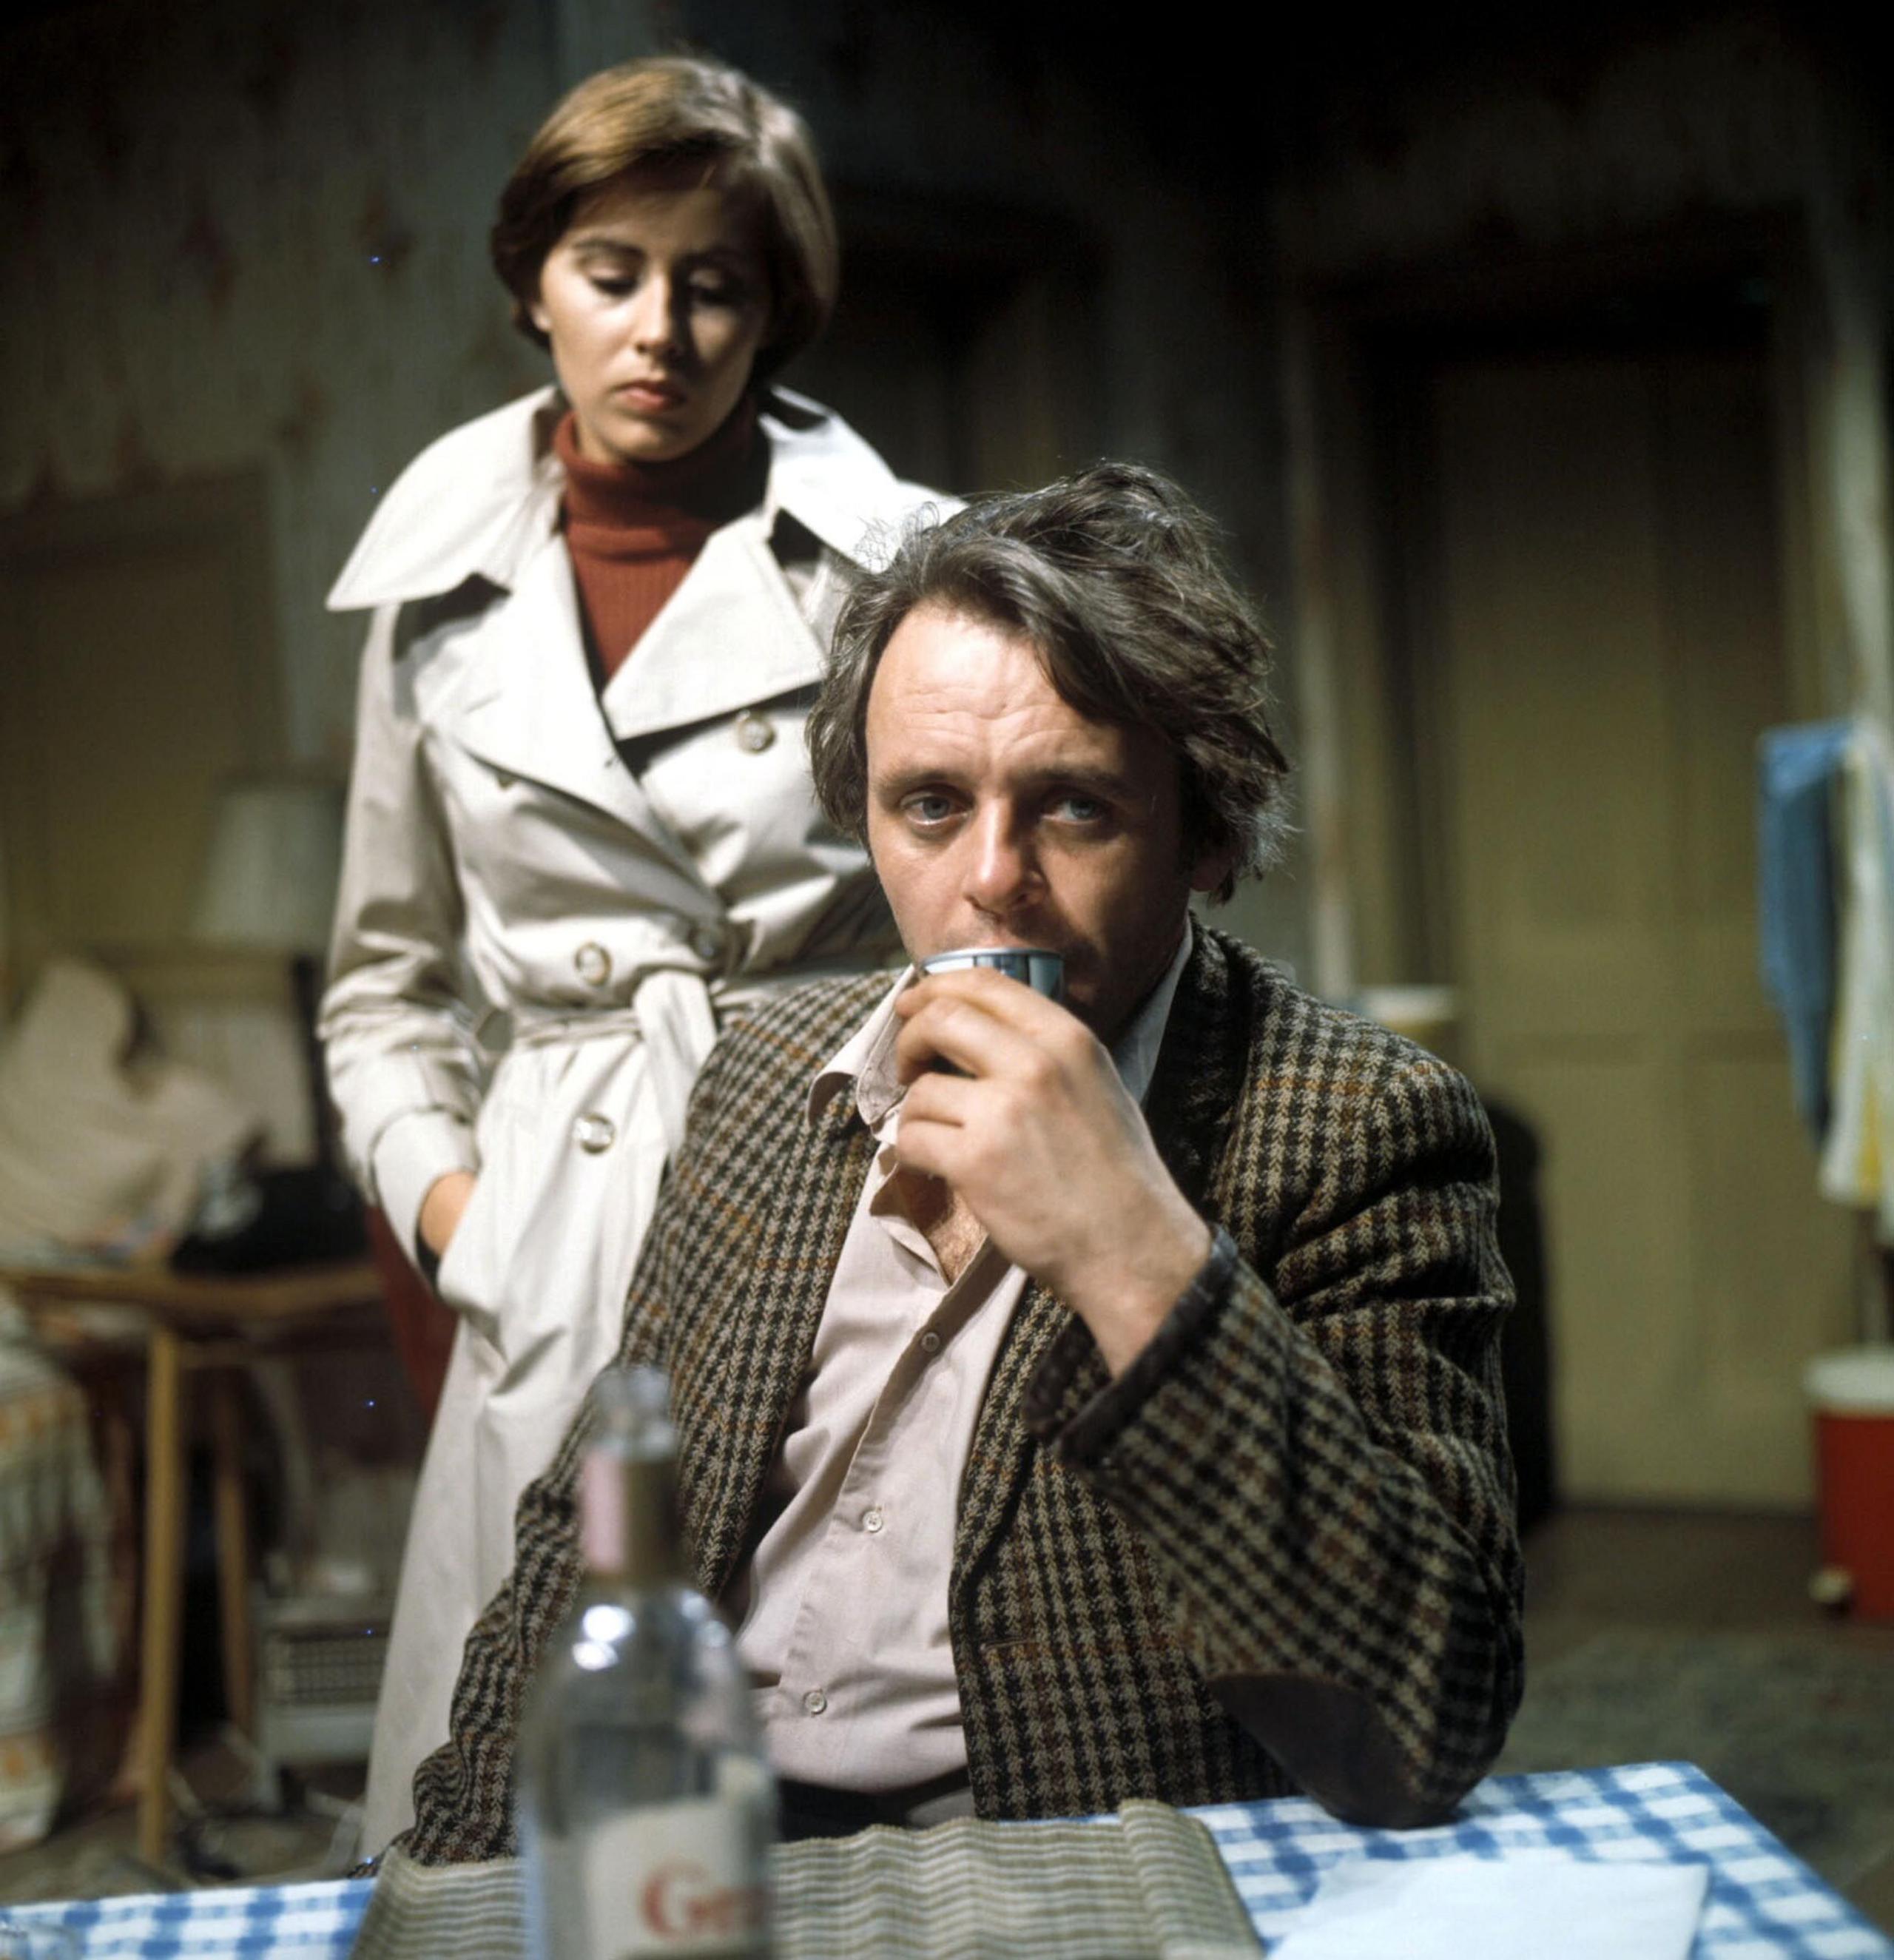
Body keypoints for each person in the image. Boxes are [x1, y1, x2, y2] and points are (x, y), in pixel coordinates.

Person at [399, 462, 1525, 1859]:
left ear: (1209, 834)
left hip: (1056, 1866)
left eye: (1076, 807)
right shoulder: (763, 1070)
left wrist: (1133, 1249)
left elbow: (1431, 1715)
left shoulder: (1358, 1122)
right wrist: (446, 1878)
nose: (993, 877)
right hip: (694, 1847)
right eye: (931, 804)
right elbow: (596, 1535)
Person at [319, 55, 942, 1851]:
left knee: (826, 1775)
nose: (658, 328)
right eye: (612, 269)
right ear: (534, 280)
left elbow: (982, 923)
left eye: (715, 281)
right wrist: (461, 1214)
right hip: (552, 1221)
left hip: (827, 1186)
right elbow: (380, 976)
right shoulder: (429, 572)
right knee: (527, 1797)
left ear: (777, 307)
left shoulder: (894, 561)